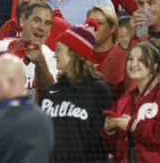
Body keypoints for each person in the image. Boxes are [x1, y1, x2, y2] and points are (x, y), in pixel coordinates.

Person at [41, 20, 113, 162]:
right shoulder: (50, 92)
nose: (55, 55)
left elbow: (103, 139)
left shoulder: (98, 90)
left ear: (74, 53)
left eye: (59, 49)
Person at [102, 41, 160, 161]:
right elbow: (111, 148)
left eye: (141, 59)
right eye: (130, 59)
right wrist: (109, 132)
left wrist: (133, 125)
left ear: (155, 65)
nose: (133, 64)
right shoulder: (123, 101)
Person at [102, 0, 160, 90]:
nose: (145, 9)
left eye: (151, 3)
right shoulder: (131, 38)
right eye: (141, 4)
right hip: (134, 104)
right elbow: (109, 78)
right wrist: (126, 39)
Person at [0, 2, 58, 94]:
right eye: (36, 20)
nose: (42, 28)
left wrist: (41, 64)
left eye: (47, 23)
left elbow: (51, 94)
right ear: (22, 21)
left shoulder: (52, 60)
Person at [87, 5, 119, 70]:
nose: (93, 27)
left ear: (112, 28)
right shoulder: (79, 57)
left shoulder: (120, 56)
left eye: (99, 23)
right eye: (90, 23)